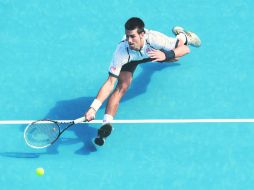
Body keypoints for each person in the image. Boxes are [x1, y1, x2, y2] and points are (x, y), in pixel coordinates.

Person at [84, 17, 201, 146]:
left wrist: (165, 55)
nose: (129, 40)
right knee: (122, 86)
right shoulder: (121, 51)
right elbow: (110, 83)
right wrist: (93, 108)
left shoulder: (155, 39)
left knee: (175, 57)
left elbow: (186, 50)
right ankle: (106, 125)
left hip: (151, 53)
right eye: (127, 36)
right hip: (131, 59)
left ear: (142, 34)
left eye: (133, 36)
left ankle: (183, 36)